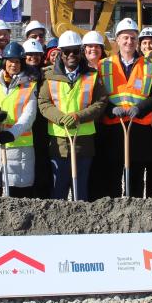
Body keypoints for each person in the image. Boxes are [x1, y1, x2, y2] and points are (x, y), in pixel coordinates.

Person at [93, 18, 152, 198]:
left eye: (133, 38)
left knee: (136, 176)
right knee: (112, 175)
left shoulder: (149, 66)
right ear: (117, 40)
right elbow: (96, 96)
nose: (129, 42)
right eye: (125, 38)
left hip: (138, 127)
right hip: (113, 128)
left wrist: (141, 108)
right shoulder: (104, 65)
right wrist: (110, 109)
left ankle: (135, 213)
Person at [37, 30, 108, 200]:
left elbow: (101, 102)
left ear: (81, 51)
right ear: (60, 53)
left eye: (75, 51)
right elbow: (43, 102)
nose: (71, 55)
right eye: (67, 51)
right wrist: (60, 118)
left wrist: (79, 116)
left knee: (81, 191)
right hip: (59, 142)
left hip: (83, 142)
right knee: (58, 190)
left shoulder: (91, 75)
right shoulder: (50, 76)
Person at [0, 42, 38, 197]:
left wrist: (12, 133)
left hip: (19, 146)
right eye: (10, 61)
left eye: (17, 61)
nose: (14, 65)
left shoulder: (29, 85)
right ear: (5, 62)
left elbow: (29, 115)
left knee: (18, 191)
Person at [23, 37, 52, 197]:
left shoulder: (48, 75)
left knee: (42, 162)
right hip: (23, 126)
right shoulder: (18, 74)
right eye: (29, 55)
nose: (33, 58)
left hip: (42, 125)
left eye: (37, 55)